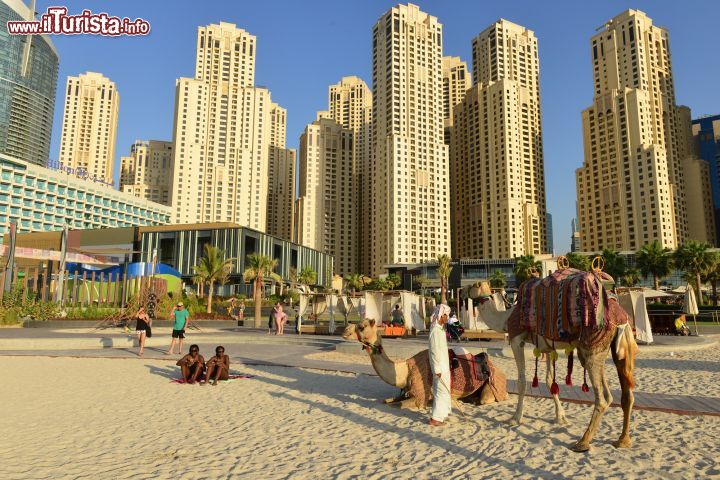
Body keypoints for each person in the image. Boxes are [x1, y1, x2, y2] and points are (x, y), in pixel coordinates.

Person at [428, 304, 452, 426]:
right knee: (441, 391)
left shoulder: (440, 329)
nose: (447, 318)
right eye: (446, 316)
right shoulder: (435, 331)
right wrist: (437, 368)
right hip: (439, 367)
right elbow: (434, 350)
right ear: (441, 315)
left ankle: (443, 413)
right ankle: (436, 418)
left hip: (444, 365)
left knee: (445, 389)